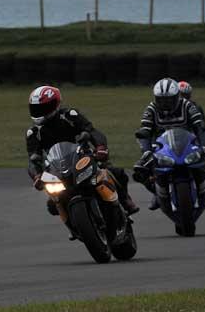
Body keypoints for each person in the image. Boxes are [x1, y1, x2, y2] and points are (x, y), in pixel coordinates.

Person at [26, 85, 139, 216]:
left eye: (43, 108)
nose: (39, 112)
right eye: (35, 108)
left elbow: (92, 131)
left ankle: (125, 200)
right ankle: (75, 225)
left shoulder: (70, 116)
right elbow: (33, 159)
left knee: (116, 173)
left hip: (84, 159)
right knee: (52, 204)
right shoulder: (33, 133)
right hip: (58, 170)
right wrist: (37, 175)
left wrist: (100, 148)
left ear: (55, 105)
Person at [134, 77, 205, 210]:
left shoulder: (188, 105)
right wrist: (146, 151)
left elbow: (199, 126)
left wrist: (204, 146)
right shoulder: (151, 109)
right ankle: (157, 193)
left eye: (169, 100)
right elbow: (145, 130)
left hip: (187, 143)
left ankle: (204, 191)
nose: (165, 103)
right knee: (140, 169)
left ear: (177, 96)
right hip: (161, 147)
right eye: (161, 100)